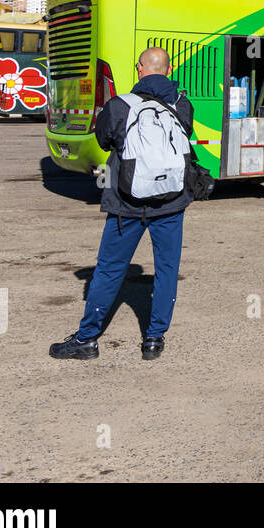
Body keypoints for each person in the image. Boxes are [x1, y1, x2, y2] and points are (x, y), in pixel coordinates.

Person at [49, 46, 194, 361]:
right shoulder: (183, 104)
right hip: (171, 202)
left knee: (110, 269)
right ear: (168, 71)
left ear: (140, 69)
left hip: (126, 203)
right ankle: (154, 340)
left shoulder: (119, 105)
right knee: (167, 269)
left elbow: (103, 140)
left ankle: (87, 340)